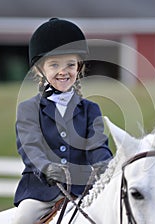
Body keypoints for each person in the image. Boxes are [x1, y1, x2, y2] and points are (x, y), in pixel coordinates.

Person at [12, 18, 112, 224]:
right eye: (54, 64)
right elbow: (30, 148)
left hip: (83, 189)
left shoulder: (91, 109)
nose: (63, 71)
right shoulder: (28, 109)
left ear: (79, 67)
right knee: (22, 218)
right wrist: (46, 167)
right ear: (40, 70)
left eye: (70, 64)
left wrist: (106, 166)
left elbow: (97, 146)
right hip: (41, 192)